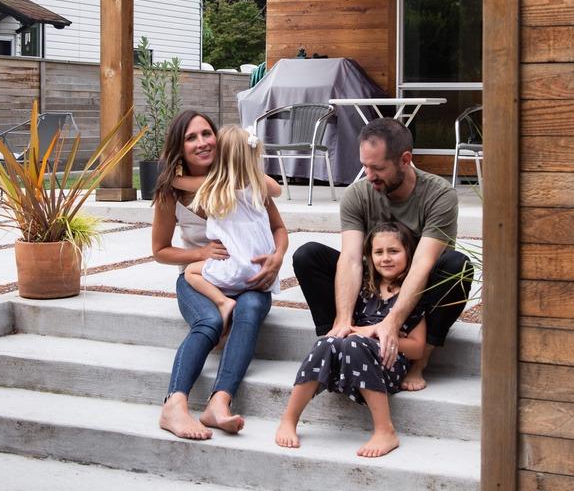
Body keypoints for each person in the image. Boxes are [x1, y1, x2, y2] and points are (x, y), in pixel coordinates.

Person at [292, 117, 472, 392]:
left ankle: (419, 362)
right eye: (364, 165)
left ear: (404, 159)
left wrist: (391, 322)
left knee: (457, 266)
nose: (369, 175)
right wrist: (343, 319)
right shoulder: (358, 194)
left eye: (377, 168)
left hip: (417, 292)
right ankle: (336, 342)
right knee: (308, 256)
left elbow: (423, 264)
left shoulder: (439, 195)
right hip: (375, 284)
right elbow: (351, 258)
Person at [152, 111, 287, 441]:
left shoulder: (242, 178)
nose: (201, 142)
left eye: (206, 133)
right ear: (180, 147)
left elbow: (278, 227)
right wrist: (201, 254)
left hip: (248, 276)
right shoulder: (170, 193)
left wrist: (277, 257)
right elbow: (160, 251)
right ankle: (175, 405)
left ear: (218, 137)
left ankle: (219, 403)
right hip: (200, 277)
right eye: (191, 138)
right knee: (210, 322)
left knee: (251, 308)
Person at [276, 221, 426, 457]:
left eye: (393, 251)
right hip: (351, 357)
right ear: (369, 257)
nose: (385, 258)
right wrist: (357, 331)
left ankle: (385, 430)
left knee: (355, 343)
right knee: (327, 342)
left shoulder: (410, 296)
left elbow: (417, 348)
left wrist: (375, 334)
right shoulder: (365, 288)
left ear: (410, 254)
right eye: (379, 252)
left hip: (387, 364)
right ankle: (289, 419)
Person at [178, 125, 283, 338]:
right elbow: (278, 190)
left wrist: (172, 173)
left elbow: (178, 182)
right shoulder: (259, 187)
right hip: (261, 271)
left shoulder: (212, 187)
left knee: (190, 272)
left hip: (235, 269)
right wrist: (253, 170)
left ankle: (222, 302)